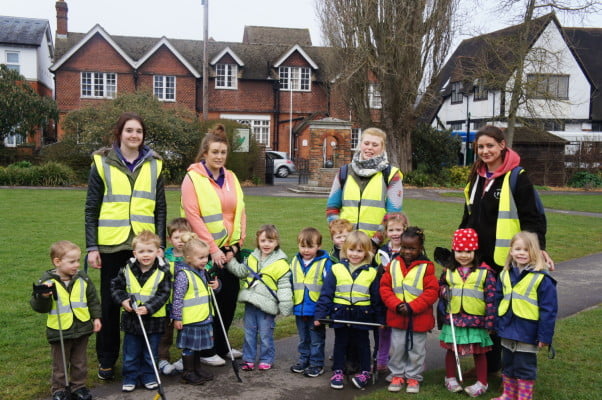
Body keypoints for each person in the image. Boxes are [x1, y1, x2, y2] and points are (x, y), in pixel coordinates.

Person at [460, 125, 552, 373]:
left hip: (506, 259)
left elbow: (533, 217)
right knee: (481, 311)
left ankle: (505, 367)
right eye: (480, 147)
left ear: (502, 145)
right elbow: (468, 216)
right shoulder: (476, 177)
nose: (485, 151)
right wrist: (459, 248)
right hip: (478, 257)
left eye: (490, 145)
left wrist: (538, 248)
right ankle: (485, 366)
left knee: (502, 312)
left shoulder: (517, 176)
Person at [85, 112, 166, 380]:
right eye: (129, 130)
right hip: (111, 245)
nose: (134, 135)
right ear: (119, 133)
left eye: (139, 131)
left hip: (144, 247)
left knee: (146, 301)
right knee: (111, 304)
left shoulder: (155, 164)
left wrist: (160, 245)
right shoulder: (101, 162)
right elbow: (91, 208)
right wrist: (91, 247)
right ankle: (107, 360)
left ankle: (142, 359)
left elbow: (160, 208)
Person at [181, 123, 246, 366]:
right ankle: (206, 351)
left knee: (228, 299)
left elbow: (240, 211)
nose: (219, 156)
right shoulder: (193, 178)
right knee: (209, 303)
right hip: (204, 253)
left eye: (223, 152)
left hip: (229, 251)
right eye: (215, 152)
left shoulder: (231, 177)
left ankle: (222, 344)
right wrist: (214, 249)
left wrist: (236, 246)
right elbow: (193, 216)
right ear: (205, 153)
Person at [31, 241, 101, 400]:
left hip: (82, 327)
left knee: (80, 362)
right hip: (59, 331)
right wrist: (43, 296)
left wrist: (96, 317)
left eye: (77, 260)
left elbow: (92, 300)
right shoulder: (47, 282)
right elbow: (39, 308)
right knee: (60, 364)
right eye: (72, 261)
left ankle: (79, 387)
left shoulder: (83, 278)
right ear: (57, 262)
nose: (77, 264)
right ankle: (59, 389)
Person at [314, 231, 383, 391]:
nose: (355, 254)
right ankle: (338, 370)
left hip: (362, 315)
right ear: (345, 250)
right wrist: (320, 315)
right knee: (340, 344)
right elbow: (326, 294)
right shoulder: (336, 269)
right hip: (341, 314)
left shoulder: (372, 273)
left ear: (367, 252)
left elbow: (376, 299)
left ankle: (365, 371)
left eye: (360, 251)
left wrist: (381, 319)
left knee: (363, 344)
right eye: (352, 250)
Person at [492, 232, 557, 400]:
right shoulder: (505, 274)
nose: (521, 253)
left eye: (526, 250)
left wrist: (545, 336)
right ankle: (508, 394)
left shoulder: (542, 278)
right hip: (506, 328)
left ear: (534, 252)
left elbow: (548, 310)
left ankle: (524, 397)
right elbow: (497, 301)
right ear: (511, 251)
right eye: (517, 249)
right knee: (508, 364)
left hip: (528, 332)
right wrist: (495, 324)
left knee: (524, 366)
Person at [379, 227, 438, 394]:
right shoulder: (393, 265)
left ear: (420, 248)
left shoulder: (427, 267)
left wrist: (413, 306)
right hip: (397, 316)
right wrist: (396, 305)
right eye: (404, 247)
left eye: (412, 248)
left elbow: (432, 292)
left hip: (418, 319)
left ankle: (413, 376)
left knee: (416, 350)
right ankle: (397, 375)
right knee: (397, 348)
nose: (407, 251)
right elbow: (385, 287)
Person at [438, 228, 496, 397]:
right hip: (454, 319)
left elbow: (492, 298)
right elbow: (440, 286)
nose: (464, 255)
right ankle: (450, 378)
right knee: (452, 349)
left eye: (468, 251)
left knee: (479, 351)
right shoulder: (448, 271)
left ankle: (482, 382)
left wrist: (490, 321)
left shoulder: (485, 273)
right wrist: (442, 291)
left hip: (476, 320)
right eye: (460, 251)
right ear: (454, 251)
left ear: (475, 251)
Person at [110, 231, 171, 393]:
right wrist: (123, 300)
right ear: (135, 253)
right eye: (142, 251)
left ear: (157, 252)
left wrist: (149, 307)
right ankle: (130, 377)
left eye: (150, 251)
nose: (146, 255)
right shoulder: (127, 268)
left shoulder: (163, 270)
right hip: (132, 320)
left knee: (150, 352)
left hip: (154, 320)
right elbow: (115, 286)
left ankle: (149, 376)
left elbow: (164, 294)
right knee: (131, 352)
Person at [226, 224, 292, 371]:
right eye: (263, 241)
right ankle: (248, 359)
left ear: (276, 242)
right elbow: (242, 271)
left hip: (267, 305)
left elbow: (284, 287)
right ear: (258, 242)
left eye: (270, 241)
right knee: (249, 332)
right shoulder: (252, 258)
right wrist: (230, 261)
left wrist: (286, 304)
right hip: (251, 302)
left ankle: (266, 358)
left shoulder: (281, 264)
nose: (266, 244)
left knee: (265, 334)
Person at [326, 127, 403, 246]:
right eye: (366, 143)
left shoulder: (391, 175)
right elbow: (332, 208)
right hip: (346, 244)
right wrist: (339, 235)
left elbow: (393, 214)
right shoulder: (344, 172)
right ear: (360, 144)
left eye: (375, 144)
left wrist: (375, 241)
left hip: (373, 245)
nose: (369, 148)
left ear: (382, 148)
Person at [171, 232, 220, 385]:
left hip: (203, 316)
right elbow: (177, 298)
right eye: (201, 258)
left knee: (197, 346)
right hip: (189, 319)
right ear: (188, 258)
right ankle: (188, 372)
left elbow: (209, 290)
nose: (205, 260)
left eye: (206, 257)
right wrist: (177, 317)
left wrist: (217, 286)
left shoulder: (203, 272)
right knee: (189, 347)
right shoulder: (183, 275)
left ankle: (197, 368)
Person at [289, 227, 333, 378]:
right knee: (303, 338)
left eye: (310, 247)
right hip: (300, 308)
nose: (306, 250)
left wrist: (324, 311)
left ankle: (316, 364)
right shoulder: (295, 261)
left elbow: (328, 288)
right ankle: (304, 360)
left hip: (316, 310)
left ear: (318, 246)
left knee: (316, 339)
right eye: (303, 246)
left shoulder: (325, 263)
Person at [374, 212, 409, 373]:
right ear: (386, 232)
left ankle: (405, 362)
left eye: (398, 230)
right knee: (384, 330)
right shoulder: (382, 250)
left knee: (401, 332)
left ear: (405, 229)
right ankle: (381, 361)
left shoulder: (409, 250)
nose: (395, 234)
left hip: (402, 296)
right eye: (391, 230)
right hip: (385, 296)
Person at [158, 217, 192, 376]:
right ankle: (162, 359)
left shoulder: (192, 255)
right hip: (167, 301)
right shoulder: (165, 255)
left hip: (186, 303)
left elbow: (205, 266)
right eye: (176, 237)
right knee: (165, 332)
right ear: (170, 239)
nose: (180, 241)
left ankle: (184, 358)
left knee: (185, 331)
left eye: (183, 237)